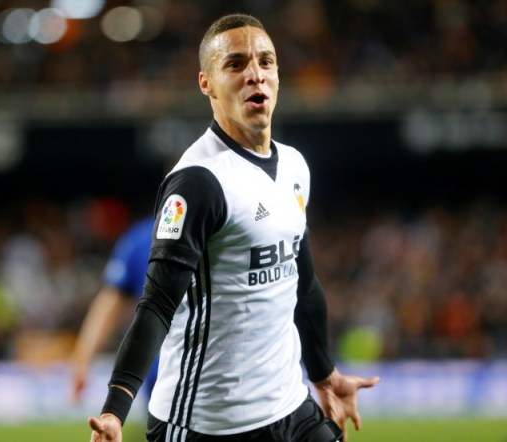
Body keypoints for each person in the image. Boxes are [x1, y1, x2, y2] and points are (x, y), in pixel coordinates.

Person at [88, 13, 379, 442]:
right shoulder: (198, 182)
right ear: (206, 83)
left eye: (266, 61)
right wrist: (115, 409)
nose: (255, 75)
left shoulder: (295, 166)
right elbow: (156, 304)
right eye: (236, 64)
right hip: (207, 423)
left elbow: (304, 283)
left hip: (289, 407)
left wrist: (324, 374)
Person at [70, 215, 158, 401]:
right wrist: (82, 359)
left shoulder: (145, 235)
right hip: (161, 375)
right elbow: (111, 301)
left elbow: (111, 301)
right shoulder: (143, 237)